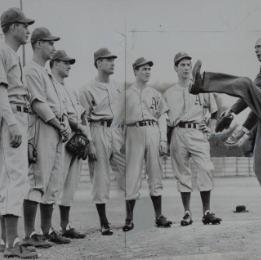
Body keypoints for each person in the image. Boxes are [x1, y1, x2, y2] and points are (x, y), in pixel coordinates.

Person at [189, 37, 261, 224]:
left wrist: (231, 113)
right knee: (259, 164)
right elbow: (255, 100)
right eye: (254, 48)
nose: (256, 50)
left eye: (259, 47)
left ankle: (203, 82)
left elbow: (249, 91)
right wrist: (241, 128)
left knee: (245, 82)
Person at [0, 7, 38, 258]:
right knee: (14, 179)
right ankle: (12, 243)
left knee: (13, 180)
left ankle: (7, 242)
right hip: (8, 117)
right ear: (13, 26)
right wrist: (12, 122)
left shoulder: (10, 55)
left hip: (14, 115)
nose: (28, 30)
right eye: (24, 25)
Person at [23, 27, 72, 247]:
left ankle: (46, 230)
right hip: (42, 125)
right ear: (37, 44)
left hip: (55, 126)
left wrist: (63, 125)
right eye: (49, 43)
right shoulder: (31, 70)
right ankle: (30, 234)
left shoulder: (47, 73)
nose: (53, 47)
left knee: (53, 182)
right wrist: (57, 124)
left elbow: (58, 104)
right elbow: (38, 103)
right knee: (38, 180)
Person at [163, 52, 222, 226]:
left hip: (197, 131)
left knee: (206, 168)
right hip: (178, 132)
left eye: (189, 64)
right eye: (182, 65)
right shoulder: (169, 93)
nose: (187, 68)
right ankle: (187, 212)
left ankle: (207, 212)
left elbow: (214, 111)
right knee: (183, 174)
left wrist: (210, 129)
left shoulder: (200, 88)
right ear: (175, 68)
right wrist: (165, 142)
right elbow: (165, 121)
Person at [79, 48, 125, 235]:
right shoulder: (87, 88)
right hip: (97, 129)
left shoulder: (118, 86)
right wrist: (89, 141)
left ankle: (129, 216)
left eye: (113, 60)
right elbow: (83, 119)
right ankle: (104, 221)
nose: (113, 63)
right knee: (101, 177)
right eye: (108, 60)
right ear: (98, 63)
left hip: (116, 131)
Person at [122, 57, 172, 232]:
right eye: (143, 69)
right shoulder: (126, 94)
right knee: (132, 175)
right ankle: (129, 218)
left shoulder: (155, 93)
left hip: (152, 130)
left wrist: (164, 140)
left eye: (149, 69)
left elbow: (163, 117)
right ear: (135, 71)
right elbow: (118, 121)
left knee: (155, 173)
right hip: (133, 131)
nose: (147, 72)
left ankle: (159, 215)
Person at [49, 50, 88, 239]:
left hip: (76, 137)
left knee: (71, 184)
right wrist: (80, 127)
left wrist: (84, 130)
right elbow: (62, 113)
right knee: (55, 182)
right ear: (55, 63)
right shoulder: (51, 84)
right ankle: (47, 227)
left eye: (69, 63)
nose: (69, 65)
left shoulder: (70, 88)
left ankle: (65, 225)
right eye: (65, 62)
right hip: (61, 135)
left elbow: (81, 111)